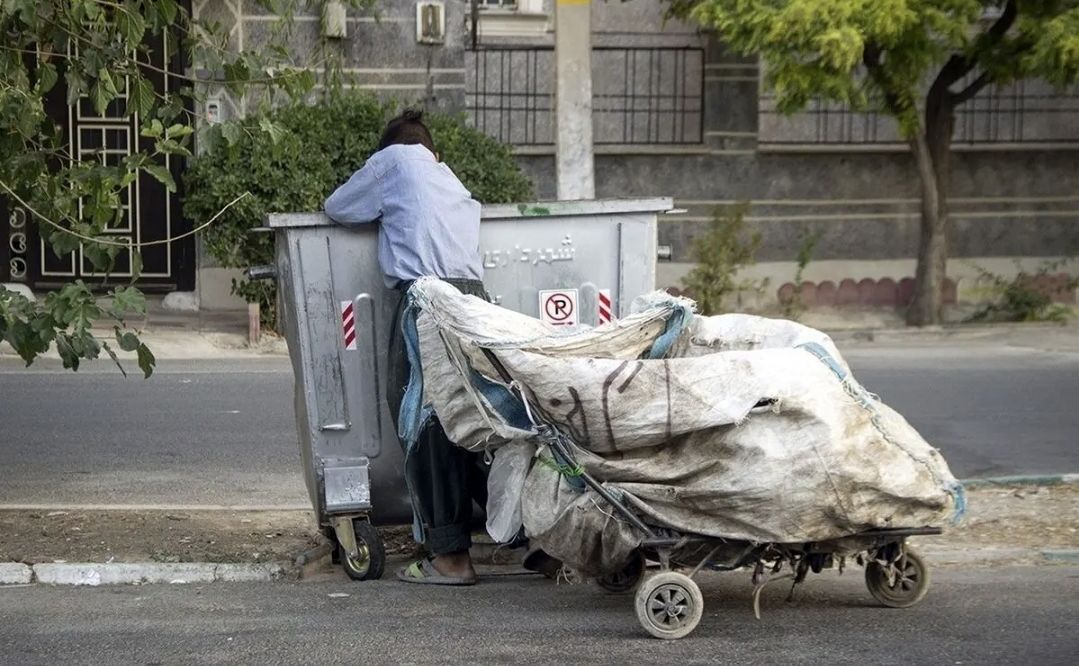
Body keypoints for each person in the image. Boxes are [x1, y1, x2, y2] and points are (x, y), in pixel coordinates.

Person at [324, 109, 488, 585]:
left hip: (428, 301)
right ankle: (535, 540)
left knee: (425, 422)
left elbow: (339, 206)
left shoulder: (395, 160)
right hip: (475, 302)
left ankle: (450, 557)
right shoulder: (448, 177)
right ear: (434, 150)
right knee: (479, 422)